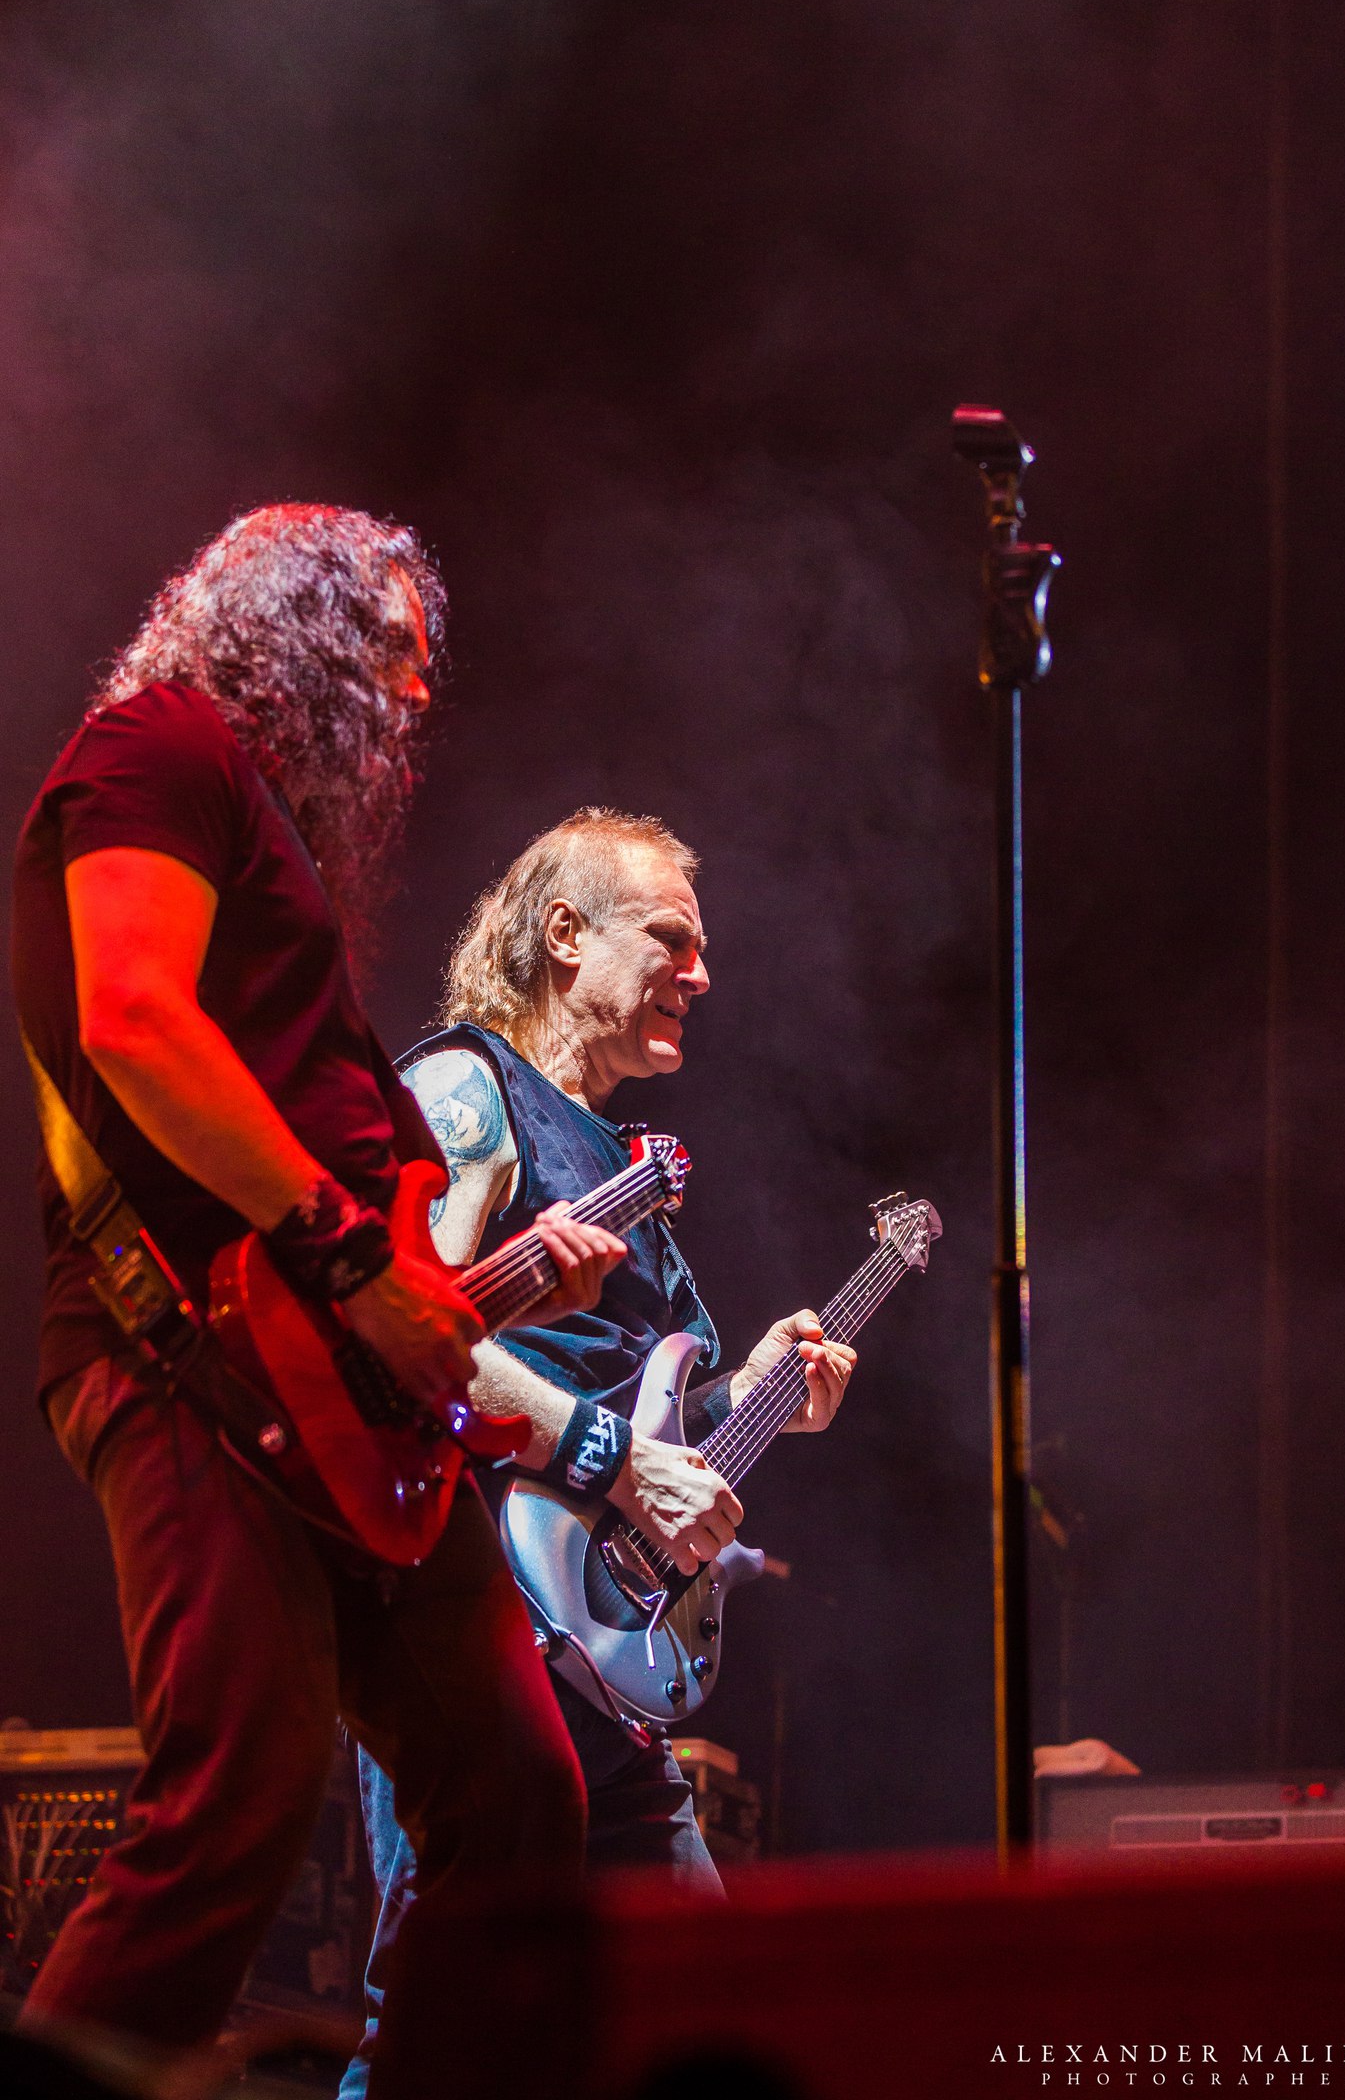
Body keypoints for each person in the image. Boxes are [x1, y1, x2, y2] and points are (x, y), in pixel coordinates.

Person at [10, 506, 627, 2097]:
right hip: (187, 1342)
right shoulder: (155, 747)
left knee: (518, 1790)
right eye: (395, 657)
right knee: (238, 1797)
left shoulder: (255, 822)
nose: (415, 701)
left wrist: (432, 1298)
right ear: (301, 634)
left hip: (346, 1391)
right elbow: (135, 1024)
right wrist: (353, 1261)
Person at [341, 807, 857, 2098]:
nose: (702, 974)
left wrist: (754, 1394)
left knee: (702, 2011)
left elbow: (648, 1416)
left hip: (599, 1656)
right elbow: (407, 1329)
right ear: (565, 936)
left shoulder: (627, 1168)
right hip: (469, 1615)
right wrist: (619, 1458)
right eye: (672, 939)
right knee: (446, 2020)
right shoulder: (469, 1089)